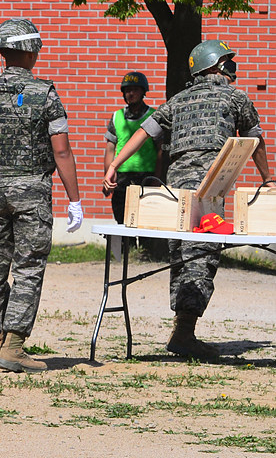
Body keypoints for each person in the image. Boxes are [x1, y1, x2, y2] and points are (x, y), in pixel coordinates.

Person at [103, 40, 273, 360]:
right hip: (210, 187)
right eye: (227, 63)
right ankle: (184, 333)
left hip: (175, 190)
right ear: (213, 66)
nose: (231, 70)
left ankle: (183, 327)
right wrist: (268, 179)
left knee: (181, 253)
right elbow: (255, 139)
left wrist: (114, 164)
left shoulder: (177, 100)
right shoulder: (235, 97)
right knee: (202, 255)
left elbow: (143, 133)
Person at [0, 18, 82, 373]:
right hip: (32, 192)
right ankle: (13, 347)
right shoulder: (45, 93)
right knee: (28, 268)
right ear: (29, 51)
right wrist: (75, 199)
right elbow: (63, 153)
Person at [102, 72, 163, 224]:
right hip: (122, 177)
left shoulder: (153, 116)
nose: (131, 93)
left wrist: (158, 178)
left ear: (143, 92)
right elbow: (110, 149)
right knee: (121, 219)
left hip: (146, 176)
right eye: (127, 90)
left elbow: (161, 150)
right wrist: (107, 176)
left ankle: (144, 248)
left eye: (135, 89)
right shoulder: (117, 116)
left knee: (146, 221)